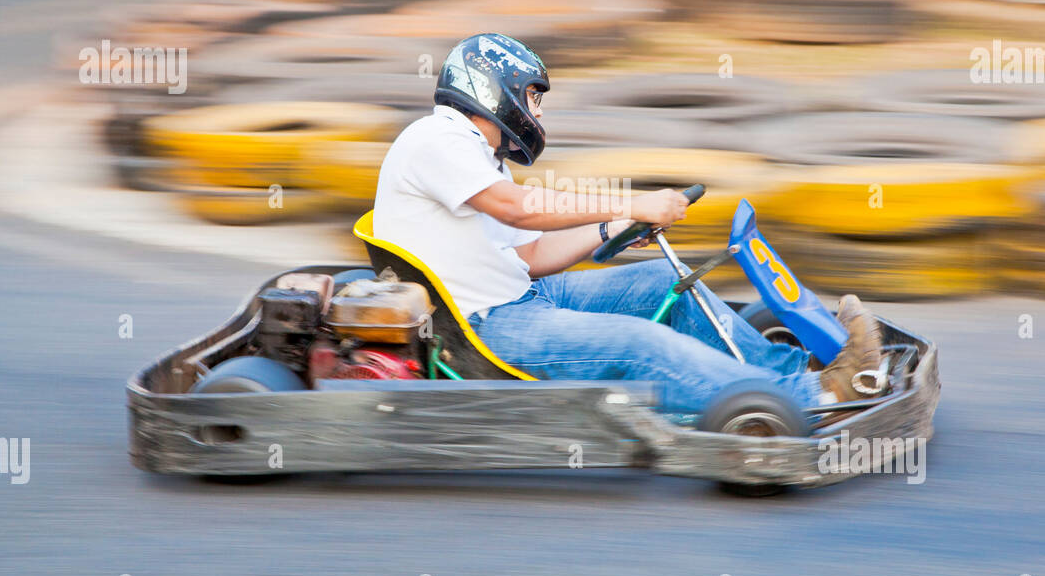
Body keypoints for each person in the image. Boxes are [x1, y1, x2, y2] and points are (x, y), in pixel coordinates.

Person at [372, 33, 883, 423]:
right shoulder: (436, 139)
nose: (537, 110)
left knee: (665, 284)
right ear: (493, 88)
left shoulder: (477, 156)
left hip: (522, 294)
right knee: (638, 344)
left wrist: (613, 225)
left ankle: (799, 373)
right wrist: (633, 199)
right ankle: (813, 399)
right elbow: (518, 209)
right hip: (487, 327)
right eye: (532, 96)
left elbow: (528, 257)